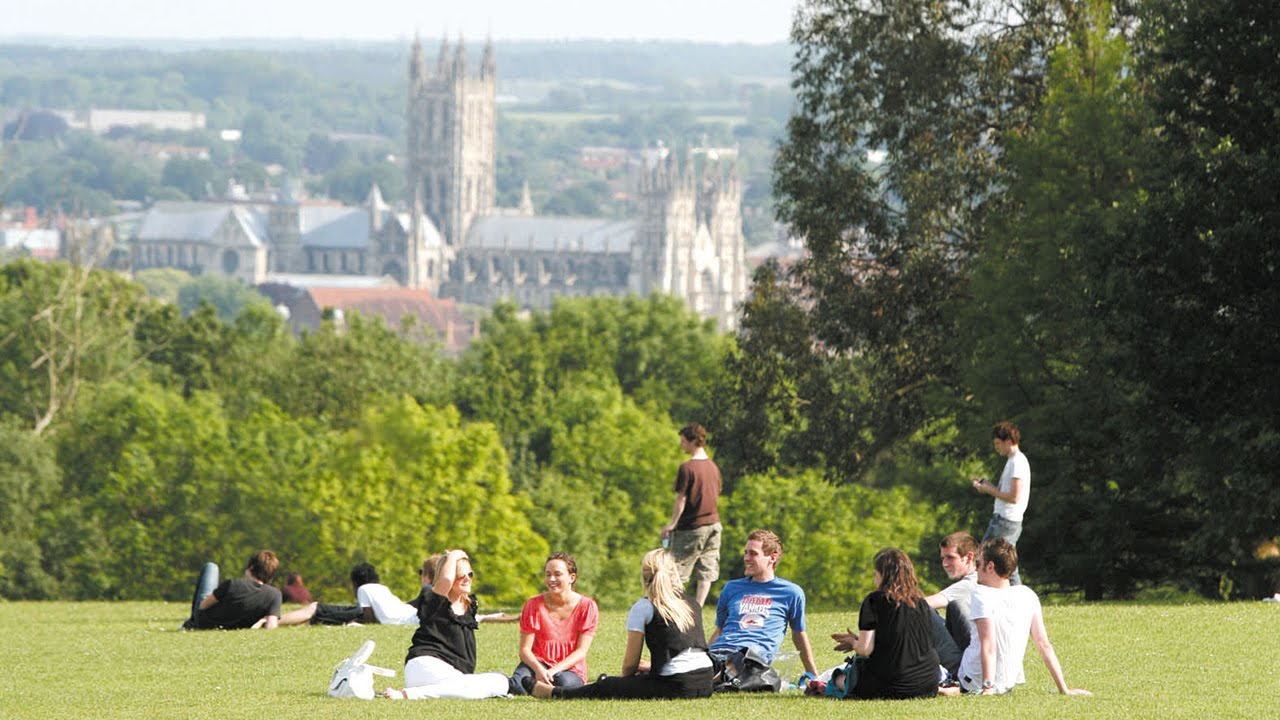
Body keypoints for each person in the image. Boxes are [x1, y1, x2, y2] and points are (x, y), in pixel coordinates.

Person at [531, 549, 714, 700]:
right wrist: (649, 667)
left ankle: (555, 693)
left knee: (609, 685)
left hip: (677, 686)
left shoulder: (644, 606)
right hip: (706, 682)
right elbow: (686, 650)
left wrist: (622, 684)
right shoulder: (692, 603)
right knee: (641, 676)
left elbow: (629, 666)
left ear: (644, 576)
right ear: (675, 575)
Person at [944, 539, 1090, 696]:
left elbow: (989, 645)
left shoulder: (980, 594)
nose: (975, 569)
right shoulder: (1028, 594)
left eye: (978, 564)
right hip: (1006, 684)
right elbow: (1044, 645)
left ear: (990, 567)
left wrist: (987, 688)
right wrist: (1064, 689)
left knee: (934, 615)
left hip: (972, 681)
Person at [382, 550, 510, 700]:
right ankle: (407, 694)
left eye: (470, 574)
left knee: (500, 681)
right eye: (460, 575)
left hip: (451, 677)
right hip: (425, 666)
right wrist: (455, 555)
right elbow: (445, 580)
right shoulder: (435, 602)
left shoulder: (468, 606)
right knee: (484, 685)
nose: (467, 579)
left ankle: (444, 690)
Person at [709, 529, 819, 689]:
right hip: (721, 652)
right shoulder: (731, 588)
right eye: (745, 553)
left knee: (738, 662)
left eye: (753, 554)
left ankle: (715, 678)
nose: (746, 558)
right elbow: (719, 630)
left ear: (772, 557)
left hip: (751, 659)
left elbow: (799, 634)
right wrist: (704, 653)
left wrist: (813, 675)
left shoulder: (790, 593)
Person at [828, 549, 940, 700]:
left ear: (882, 575)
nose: (874, 579)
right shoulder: (922, 604)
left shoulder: (873, 601)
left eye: (876, 574)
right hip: (927, 684)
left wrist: (854, 643)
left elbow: (865, 649)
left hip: (889, 686)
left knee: (836, 680)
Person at [509, 552, 599, 695]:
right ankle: (538, 688)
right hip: (537, 663)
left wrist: (551, 671)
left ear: (572, 577)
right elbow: (524, 650)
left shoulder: (587, 606)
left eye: (557, 574)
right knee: (518, 685)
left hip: (569, 668)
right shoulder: (533, 605)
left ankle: (539, 689)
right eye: (548, 574)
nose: (551, 579)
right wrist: (539, 670)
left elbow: (581, 651)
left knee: (564, 683)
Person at [660, 423, 723, 607]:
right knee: (707, 568)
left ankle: (674, 607)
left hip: (692, 527)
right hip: (714, 524)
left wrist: (672, 524)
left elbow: (682, 499)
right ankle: (698, 608)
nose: (681, 445)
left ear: (694, 441)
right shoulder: (713, 467)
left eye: (683, 441)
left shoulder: (687, 468)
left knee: (677, 569)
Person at [972, 421, 1030, 585]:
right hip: (1005, 519)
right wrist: (988, 486)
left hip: (1006, 520)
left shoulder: (1017, 462)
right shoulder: (1013, 461)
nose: (996, 447)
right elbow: (1005, 493)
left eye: (998, 443)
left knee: (985, 556)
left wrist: (988, 490)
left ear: (1009, 441)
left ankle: (1016, 599)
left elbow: (1013, 497)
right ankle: (1018, 599)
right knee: (1007, 563)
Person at [922, 532, 979, 676]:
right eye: (943, 558)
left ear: (969, 557)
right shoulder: (982, 580)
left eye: (950, 558)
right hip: (977, 661)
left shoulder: (970, 583)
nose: (945, 563)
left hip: (967, 669)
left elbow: (924, 604)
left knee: (924, 611)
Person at [181, 549, 282, 630]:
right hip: (235, 627)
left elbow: (203, 606)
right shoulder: (274, 595)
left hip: (204, 623)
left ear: (251, 567)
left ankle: (191, 623)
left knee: (211, 567)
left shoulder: (233, 584)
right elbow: (271, 625)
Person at [278, 562, 379, 626]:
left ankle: (274, 621)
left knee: (316, 608)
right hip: (363, 614)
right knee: (317, 617)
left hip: (358, 612)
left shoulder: (363, 589)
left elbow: (368, 619)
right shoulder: (384, 590)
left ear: (355, 584)